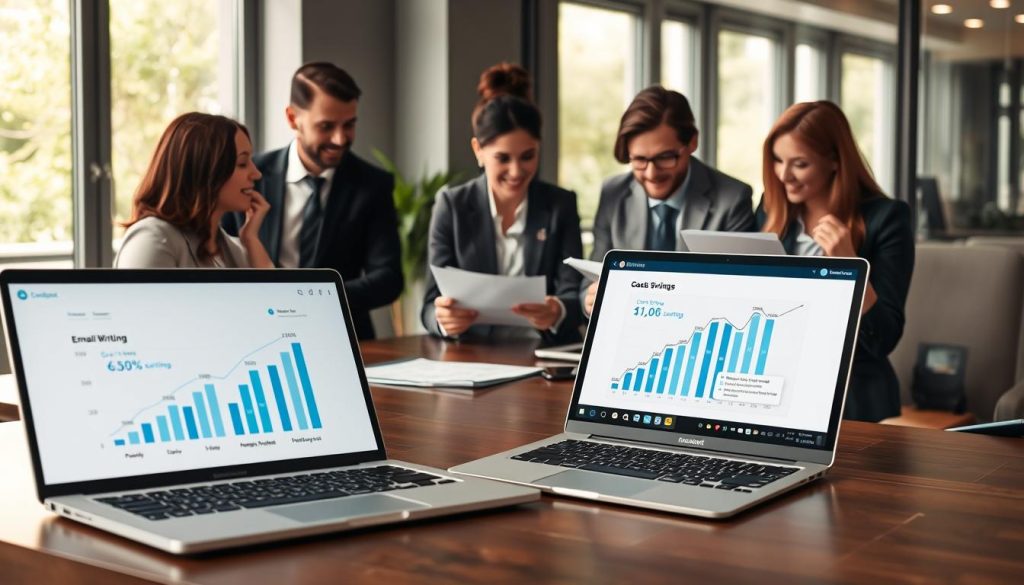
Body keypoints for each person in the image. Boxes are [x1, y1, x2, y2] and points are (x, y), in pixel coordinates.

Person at [758, 100, 914, 422]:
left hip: (852, 394)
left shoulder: (887, 219)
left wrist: (850, 266)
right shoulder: (771, 212)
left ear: (833, 161)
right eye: (777, 160)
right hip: (777, 385)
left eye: (800, 164)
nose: (784, 175)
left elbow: (884, 338)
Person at [223, 62, 402, 340]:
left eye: (349, 125)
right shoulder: (248, 176)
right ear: (293, 118)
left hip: (345, 337)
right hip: (255, 335)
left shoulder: (373, 184)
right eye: (326, 126)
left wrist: (315, 298)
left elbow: (388, 278)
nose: (340, 138)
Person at [421, 63, 584, 343]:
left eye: (528, 156)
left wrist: (556, 311)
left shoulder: (560, 205)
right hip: (471, 352)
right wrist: (444, 320)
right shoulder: (452, 205)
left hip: (542, 352)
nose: (517, 170)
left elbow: (573, 292)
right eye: (503, 158)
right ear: (479, 151)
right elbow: (429, 304)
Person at [583, 86, 755, 314]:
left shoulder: (732, 199)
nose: (652, 174)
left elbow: (741, 292)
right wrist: (589, 300)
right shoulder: (613, 193)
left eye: (665, 157)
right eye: (639, 160)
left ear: (692, 143)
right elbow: (591, 277)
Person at [115, 112, 272, 269]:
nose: (257, 174)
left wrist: (251, 239)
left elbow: (273, 293)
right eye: (242, 163)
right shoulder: (152, 240)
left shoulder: (233, 249)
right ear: (204, 170)